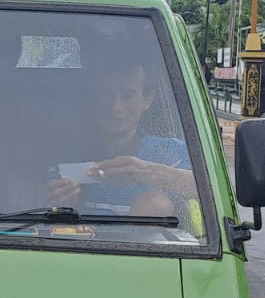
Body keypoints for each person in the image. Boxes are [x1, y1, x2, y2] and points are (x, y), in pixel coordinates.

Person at [48, 59, 193, 215]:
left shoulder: (170, 151)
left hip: (143, 240)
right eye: (106, 95)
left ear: (147, 100)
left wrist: (146, 172)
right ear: (93, 99)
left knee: (154, 203)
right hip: (78, 237)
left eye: (128, 96)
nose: (116, 107)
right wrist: (60, 200)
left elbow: (211, 189)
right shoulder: (70, 154)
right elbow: (50, 205)